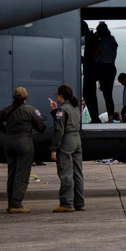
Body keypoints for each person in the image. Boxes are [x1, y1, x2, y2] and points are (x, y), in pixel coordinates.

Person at [0, 86, 46, 213]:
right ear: (26, 97)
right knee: (22, 174)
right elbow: (42, 128)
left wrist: (6, 131)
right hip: (24, 143)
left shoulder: (5, 110)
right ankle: (16, 204)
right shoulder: (30, 110)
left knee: (12, 173)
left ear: (14, 97)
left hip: (9, 143)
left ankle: (11, 203)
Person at [48, 84, 85, 212]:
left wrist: (54, 148)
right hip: (77, 139)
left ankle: (66, 203)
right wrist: (55, 110)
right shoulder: (75, 108)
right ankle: (79, 202)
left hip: (67, 140)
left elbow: (59, 129)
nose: (56, 97)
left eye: (57, 94)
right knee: (77, 173)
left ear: (61, 95)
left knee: (65, 172)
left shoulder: (62, 109)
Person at [94, 22, 118, 121]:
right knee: (108, 95)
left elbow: (95, 54)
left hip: (103, 68)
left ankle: (110, 118)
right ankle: (111, 117)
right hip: (111, 67)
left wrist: (95, 41)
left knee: (106, 94)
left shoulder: (102, 41)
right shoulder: (112, 40)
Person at [80, 21, 101, 123]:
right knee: (90, 95)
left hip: (90, 71)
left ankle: (95, 118)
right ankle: (95, 117)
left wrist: (83, 59)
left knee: (88, 94)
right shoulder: (91, 37)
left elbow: (90, 56)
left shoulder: (90, 38)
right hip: (91, 70)